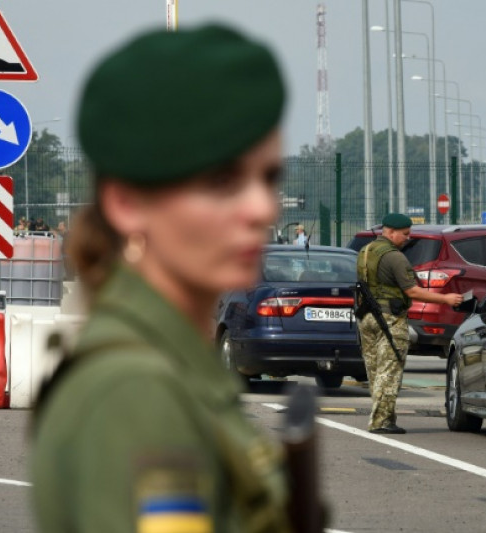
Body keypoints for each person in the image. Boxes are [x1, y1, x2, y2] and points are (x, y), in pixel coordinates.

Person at [31, 24, 293, 532]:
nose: (263, 207)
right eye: (221, 181)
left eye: (269, 178)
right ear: (127, 203)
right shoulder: (135, 392)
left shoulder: (175, 361)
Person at [356, 213, 463, 434]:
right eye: (405, 234)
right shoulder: (395, 257)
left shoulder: (365, 251)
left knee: (375, 371)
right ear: (391, 232)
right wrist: (446, 299)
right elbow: (412, 290)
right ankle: (381, 422)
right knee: (390, 369)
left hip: (366, 317)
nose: (407, 238)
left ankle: (383, 417)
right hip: (389, 319)